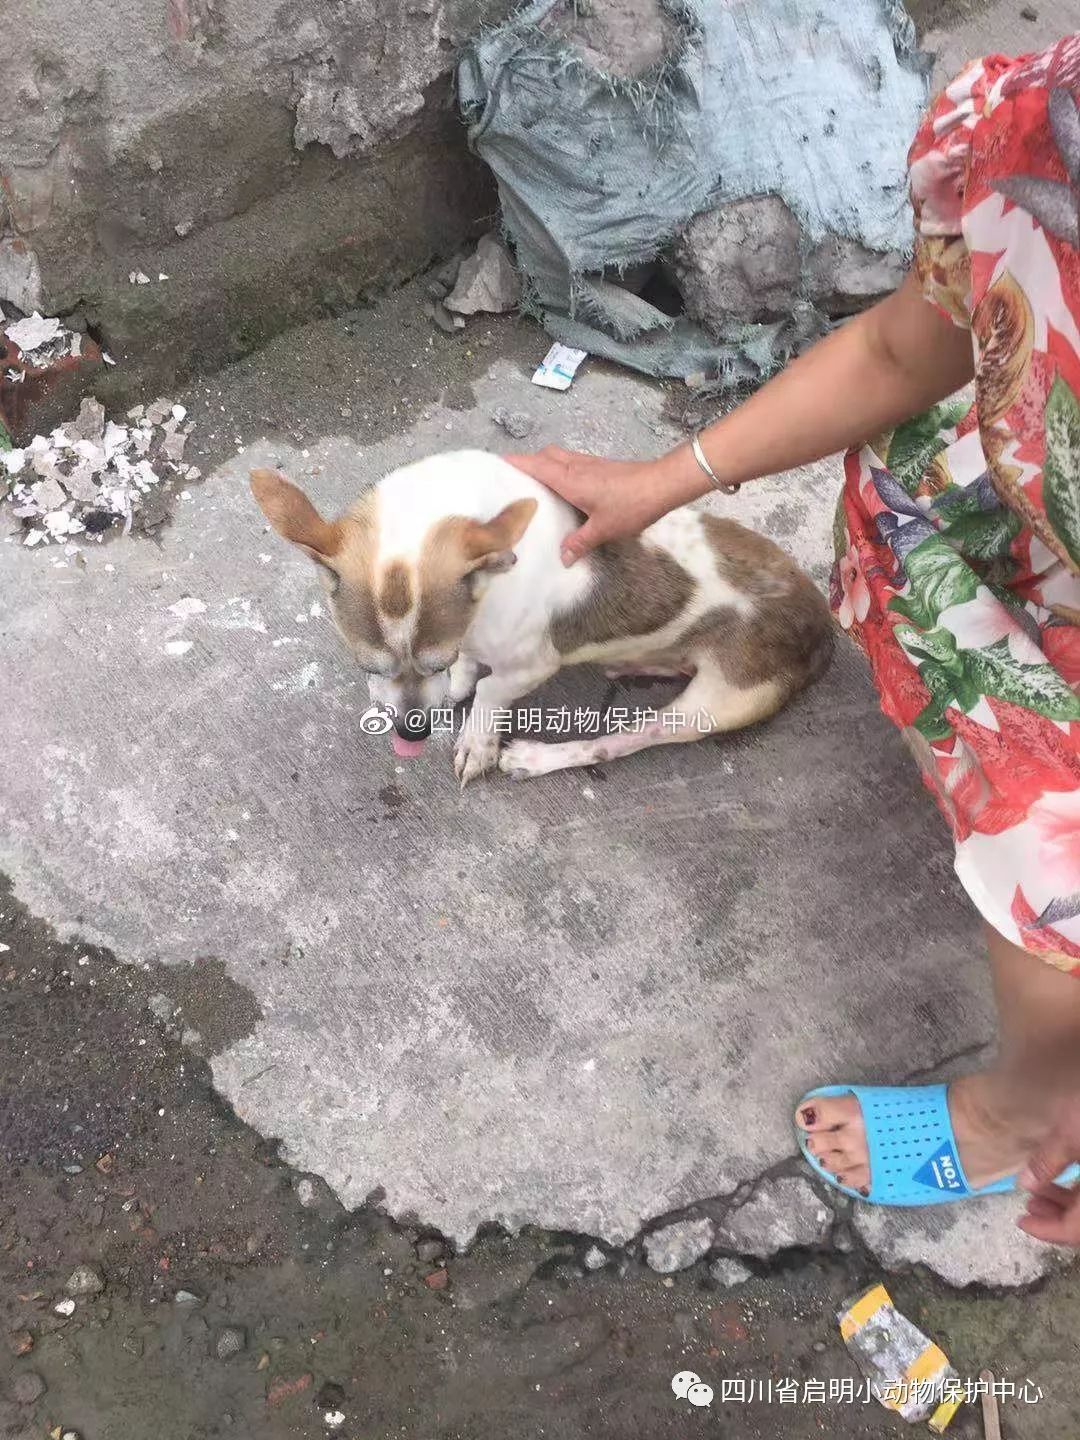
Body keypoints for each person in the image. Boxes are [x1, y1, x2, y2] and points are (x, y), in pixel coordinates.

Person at [509, 35, 1080, 1241]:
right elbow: (898, 347)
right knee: (914, 481)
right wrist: (664, 480)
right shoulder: (1033, 126)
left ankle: (1025, 1106)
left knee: (1049, 857)